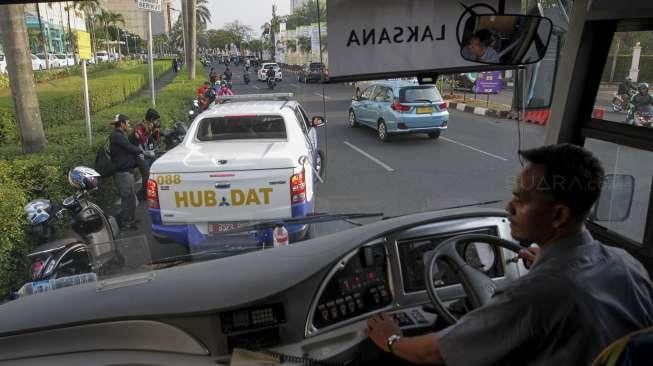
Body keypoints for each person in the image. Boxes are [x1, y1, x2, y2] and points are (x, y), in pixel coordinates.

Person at [366, 143, 653, 365]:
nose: (509, 207)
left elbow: (436, 354)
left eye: (521, 200)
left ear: (559, 215)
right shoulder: (628, 265)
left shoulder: (533, 295)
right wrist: (546, 260)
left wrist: (391, 338)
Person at [110, 114, 143, 230]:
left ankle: (130, 219)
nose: (129, 125)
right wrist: (140, 151)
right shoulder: (116, 136)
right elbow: (129, 147)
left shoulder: (119, 135)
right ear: (122, 123)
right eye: (127, 123)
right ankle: (125, 222)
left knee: (131, 197)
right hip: (122, 173)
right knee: (127, 198)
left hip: (127, 172)